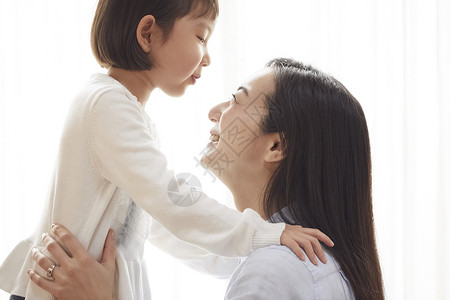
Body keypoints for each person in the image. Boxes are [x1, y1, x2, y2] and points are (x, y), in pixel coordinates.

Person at [0, 1, 332, 299]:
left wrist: (245, 254)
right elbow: (171, 202)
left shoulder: (125, 113)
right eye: (201, 38)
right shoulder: (107, 105)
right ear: (148, 33)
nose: (208, 56)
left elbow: (155, 223)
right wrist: (263, 233)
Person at [28, 58, 385, 299]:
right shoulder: (312, 261)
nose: (214, 112)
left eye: (236, 101)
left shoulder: (273, 270)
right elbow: (190, 231)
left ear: (275, 145)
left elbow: (178, 210)